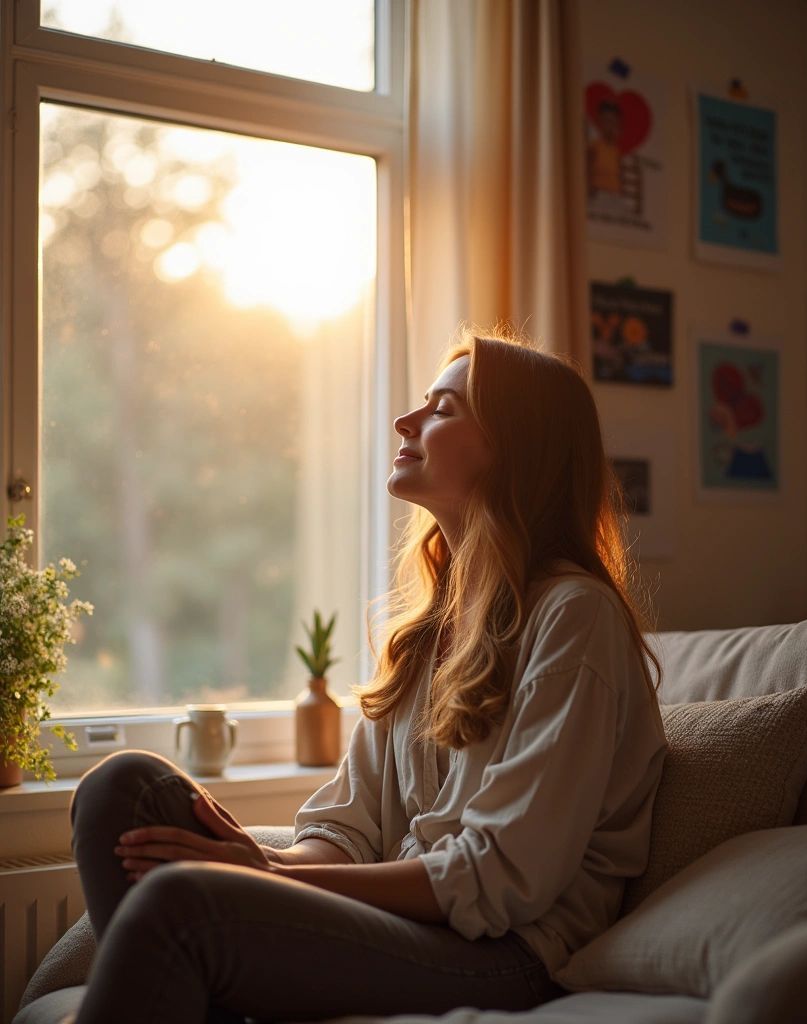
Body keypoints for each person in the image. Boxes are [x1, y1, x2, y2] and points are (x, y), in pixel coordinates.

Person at [69, 329, 667, 1024]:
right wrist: (272, 866)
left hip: (507, 953)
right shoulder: (428, 629)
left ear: (515, 449)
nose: (406, 422)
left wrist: (271, 875)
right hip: (418, 928)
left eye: (443, 409)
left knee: (184, 903)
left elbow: (502, 878)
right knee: (121, 788)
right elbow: (348, 825)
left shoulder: (574, 617)